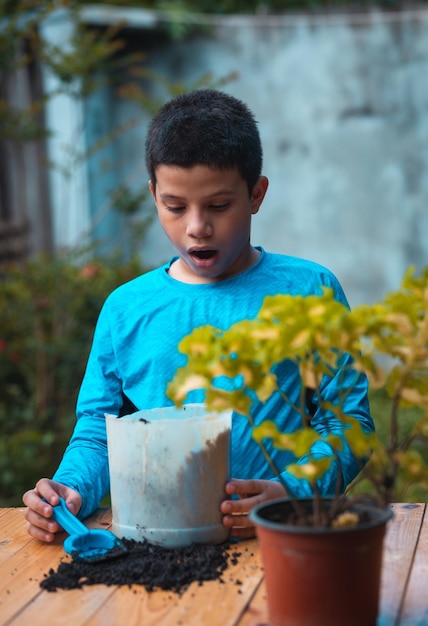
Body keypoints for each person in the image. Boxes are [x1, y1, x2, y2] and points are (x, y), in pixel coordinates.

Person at [23, 89, 374, 543]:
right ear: (154, 195)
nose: (196, 226)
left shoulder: (310, 291)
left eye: (218, 205)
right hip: (156, 548)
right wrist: (70, 490)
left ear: (256, 194)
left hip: (282, 542)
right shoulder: (125, 309)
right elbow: (100, 431)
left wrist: (291, 494)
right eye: (175, 207)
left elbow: (347, 423)